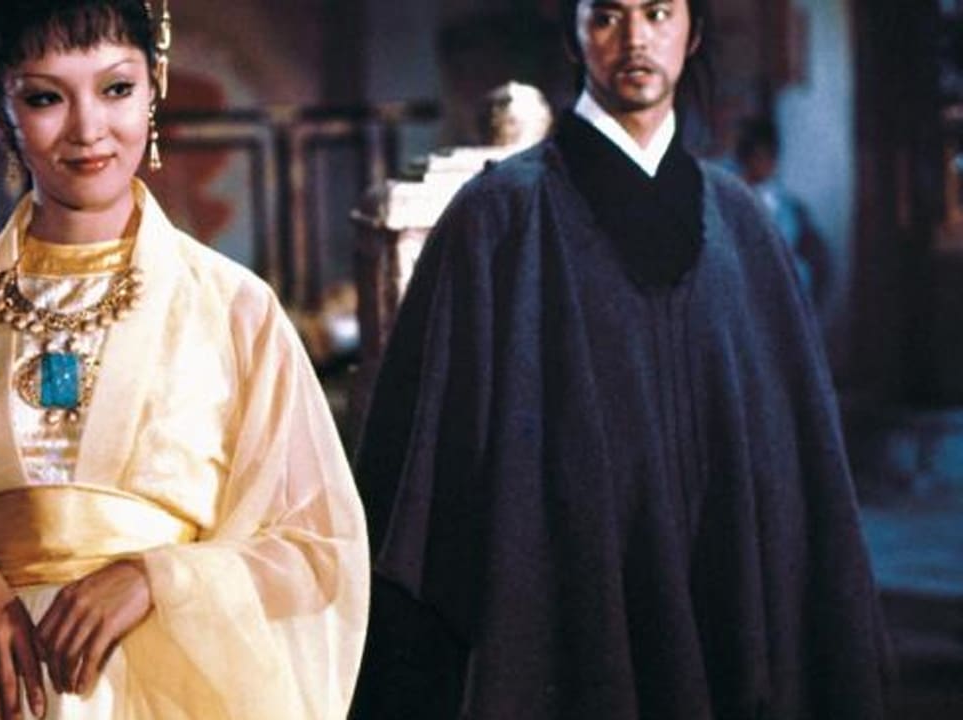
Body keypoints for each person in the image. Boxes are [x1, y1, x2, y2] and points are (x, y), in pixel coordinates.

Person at [0, 2, 368, 719]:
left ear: (157, 81)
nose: (88, 129)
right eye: (46, 98)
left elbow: (317, 550)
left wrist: (158, 578)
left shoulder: (232, 310)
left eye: (116, 88)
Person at [351, 1, 888, 718]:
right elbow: (424, 485)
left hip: (722, 607)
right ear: (574, 39)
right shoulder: (499, 218)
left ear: (693, 33)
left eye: (658, 12)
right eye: (607, 15)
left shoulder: (742, 224)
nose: (635, 38)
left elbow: (802, 477)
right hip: (572, 610)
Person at [735, 116, 829, 313]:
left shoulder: (790, 207)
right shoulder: (732, 199)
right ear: (746, 160)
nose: (765, 164)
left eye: (769, 157)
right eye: (757, 157)